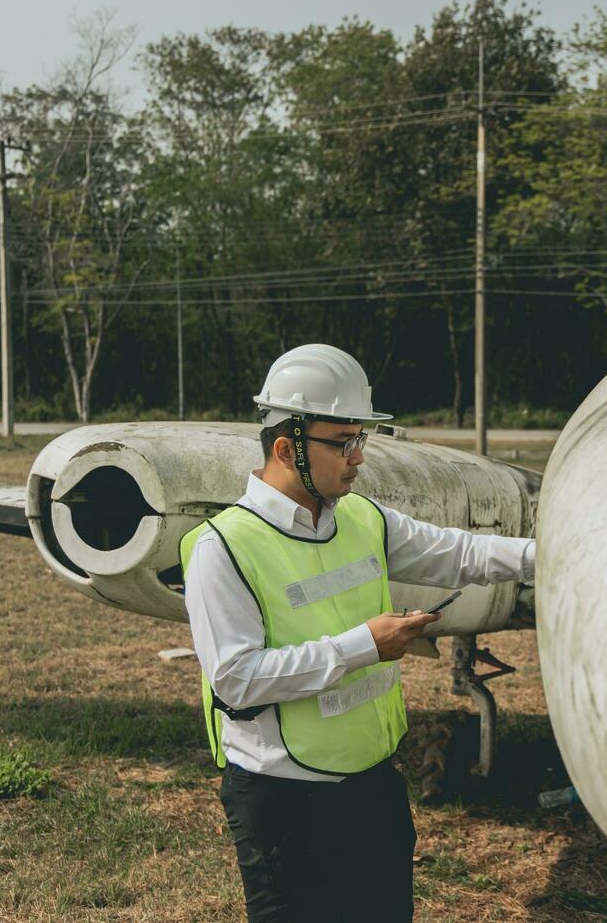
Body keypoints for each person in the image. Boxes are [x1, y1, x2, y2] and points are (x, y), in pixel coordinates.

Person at [180, 344, 534, 923]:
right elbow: (237, 680)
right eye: (343, 443)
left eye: (361, 440)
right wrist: (364, 646)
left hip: (372, 786)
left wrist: (553, 555)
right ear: (285, 447)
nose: (358, 457)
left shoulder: (363, 519)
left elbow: (460, 552)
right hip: (282, 800)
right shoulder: (224, 549)